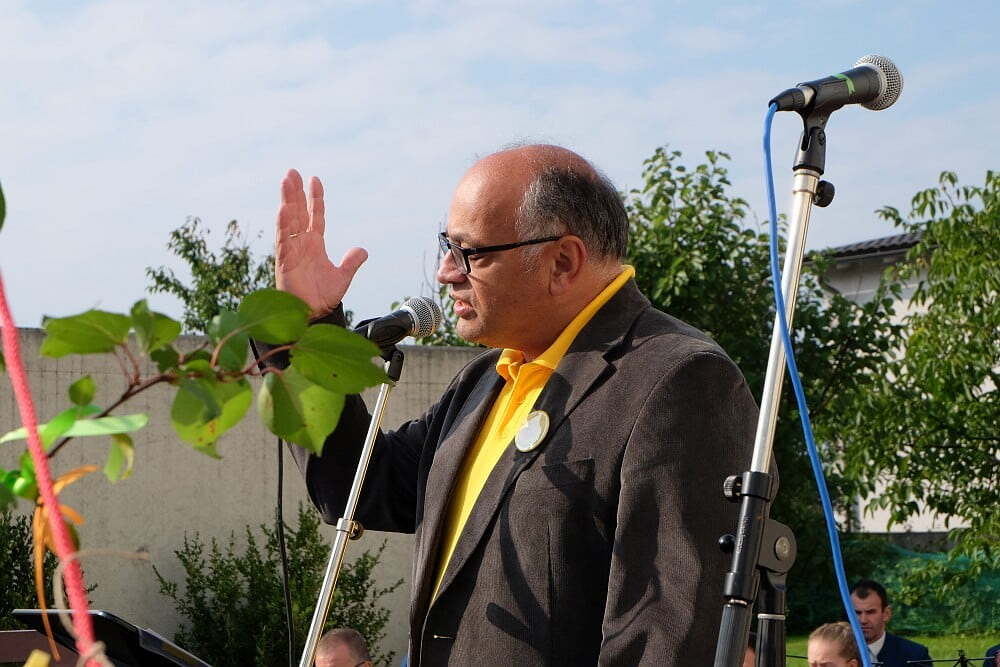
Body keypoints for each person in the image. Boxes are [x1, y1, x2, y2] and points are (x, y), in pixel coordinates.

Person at [271, 144, 757, 665]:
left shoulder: (678, 378)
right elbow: (358, 486)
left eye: (470, 253)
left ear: (562, 262)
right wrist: (303, 331)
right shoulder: (485, 379)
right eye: (446, 245)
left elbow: (665, 636)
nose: (445, 272)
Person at [850, 579, 931, 667]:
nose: (863, 620)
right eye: (857, 613)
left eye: (870, 612)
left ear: (886, 614)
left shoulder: (915, 656)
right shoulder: (838, 652)